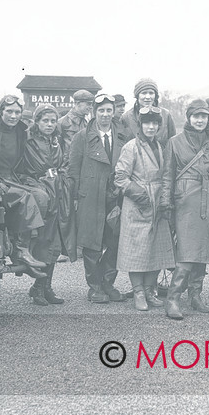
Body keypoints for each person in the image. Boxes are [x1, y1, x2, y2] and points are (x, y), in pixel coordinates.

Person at [161, 99, 209, 319]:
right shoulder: (174, 142)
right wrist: (166, 202)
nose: (200, 120)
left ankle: (195, 296)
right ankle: (173, 299)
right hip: (186, 199)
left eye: (204, 116)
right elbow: (167, 175)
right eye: (196, 116)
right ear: (188, 118)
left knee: (203, 249)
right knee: (187, 250)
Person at [69, 92, 130, 303]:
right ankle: (94, 287)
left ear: (114, 113)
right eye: (101, 110)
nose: (105, 114)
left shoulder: (123, 137)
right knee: (92, 243)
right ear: (94, 113)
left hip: (116, 196)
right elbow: (73, 170)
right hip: (91, 197)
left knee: (116, 241)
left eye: (109, 111)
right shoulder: (82, 137)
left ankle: (107, 283)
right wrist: (75, 198)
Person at [114, 105, 176, 311]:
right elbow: (120, 177)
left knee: (156, 249)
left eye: (155, 123)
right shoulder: (131, 147)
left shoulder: (159, 145)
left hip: (157, 202)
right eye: (147, 123)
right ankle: (138, 291)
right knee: (137, 250)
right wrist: (139, 194)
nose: (151, 127)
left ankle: (150, 290)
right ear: (140, 125)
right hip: (138, 203)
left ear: (159, 126)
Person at [17, 103, 74, 306]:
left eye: (52, 121)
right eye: (45, 121)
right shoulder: (27, 140)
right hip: (39, 189)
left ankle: (44, 287)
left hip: (58, 191)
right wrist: (36, 183)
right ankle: (38, 286)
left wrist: (63, 177)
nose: (49, 124)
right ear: (37, 121)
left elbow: (66, 162)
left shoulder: (58, 141)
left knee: (55, 243)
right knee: (43, 240)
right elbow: (21, 168)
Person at [0, 95, 48, 277]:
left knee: (42, 196)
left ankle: (24, 248)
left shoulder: (21, 131)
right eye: (9, 112)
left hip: (13, 176)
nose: (13, 116)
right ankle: (19, 249)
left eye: (17, 112)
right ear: (1, 112)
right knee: (25, 197)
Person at [121, 78, 176, 147]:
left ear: (155, 95)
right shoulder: (126, 117)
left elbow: (173, 142)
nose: (148, 97)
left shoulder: (166, 115)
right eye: (143, 93)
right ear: (137, 96)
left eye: (151, 93)